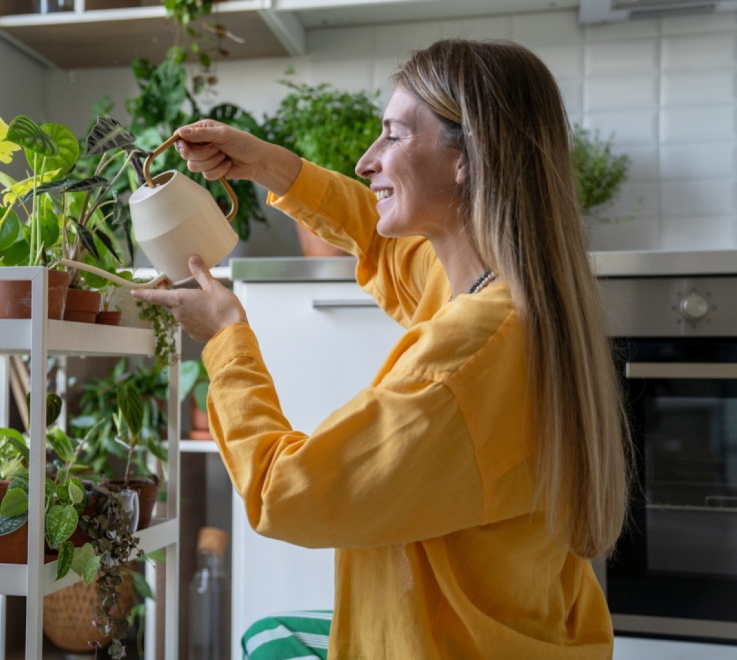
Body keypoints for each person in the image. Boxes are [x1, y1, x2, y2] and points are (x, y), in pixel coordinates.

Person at [132, 38, 632, 659]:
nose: (369, 161)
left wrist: (228, 336)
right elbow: (378, 241)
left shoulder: (468, 355)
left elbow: (285, 493)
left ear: (467, 160)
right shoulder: (500, 291)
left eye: (393, 137)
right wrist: (265, 165)